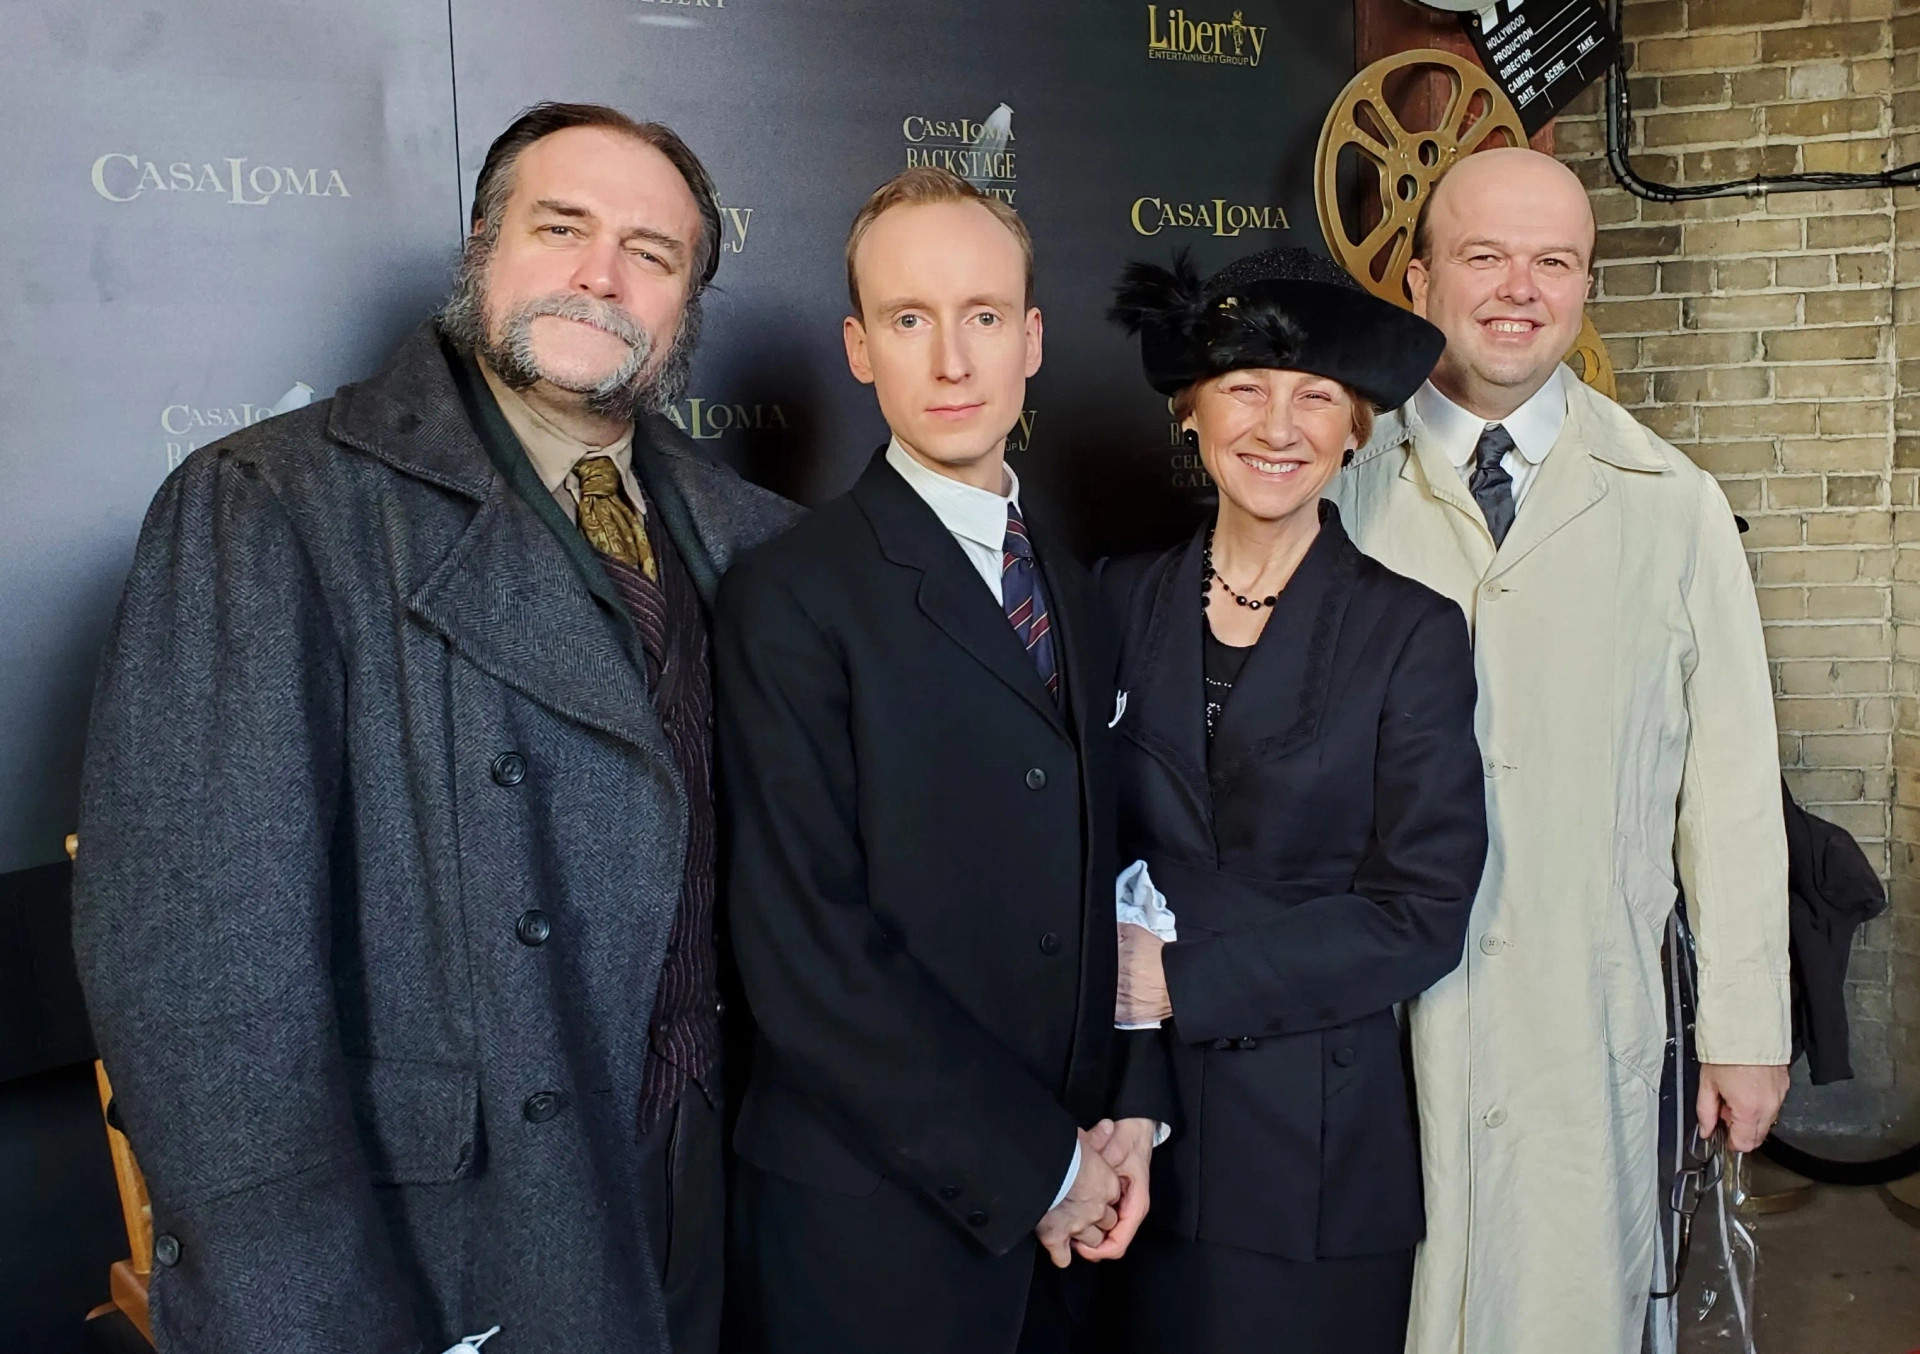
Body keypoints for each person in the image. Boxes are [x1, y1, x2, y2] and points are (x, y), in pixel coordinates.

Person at [71, 103, 796, 1354]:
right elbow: (205, 997)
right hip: (456, 1237)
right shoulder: (268, 505)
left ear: (686, 307)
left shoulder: (758, 540)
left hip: (715, 1195)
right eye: (560, 227)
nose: (600, 275)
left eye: (652, 252)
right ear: (481, 247)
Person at [1327, 146, 1792, 1354]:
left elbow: (1731, 792)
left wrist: (1748, 1028)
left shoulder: (1671, 503)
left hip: (1584, 1022)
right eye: (1483, 256)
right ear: (1421, 277)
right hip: (1373, 1021)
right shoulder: (1335, 490)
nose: (1517, 288)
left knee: (1569, 1305)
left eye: (1554, 261)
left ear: (1586, 284)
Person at [713, 166, 1174, 1354]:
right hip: (873, 1242)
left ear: (1031, 340)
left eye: (981, 318)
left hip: (1071, 1239)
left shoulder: (1072, 585)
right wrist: (1041, 1167)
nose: (952, 361)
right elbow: (807, 954)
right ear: (861, 350)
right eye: (911, 321)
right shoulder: (788, 596)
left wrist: (1129, 1108)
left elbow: (1120, 877)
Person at [1098, 247, 1486, 1353]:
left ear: (1357, 427)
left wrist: (1182, 979)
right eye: (1246, 386)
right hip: (1134, 1131)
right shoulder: (1114, 599)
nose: (1279, 424)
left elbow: (1422, 912)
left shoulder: (1411, 633)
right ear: (1191, 410)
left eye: (1316, 394)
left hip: (1319, 1148)